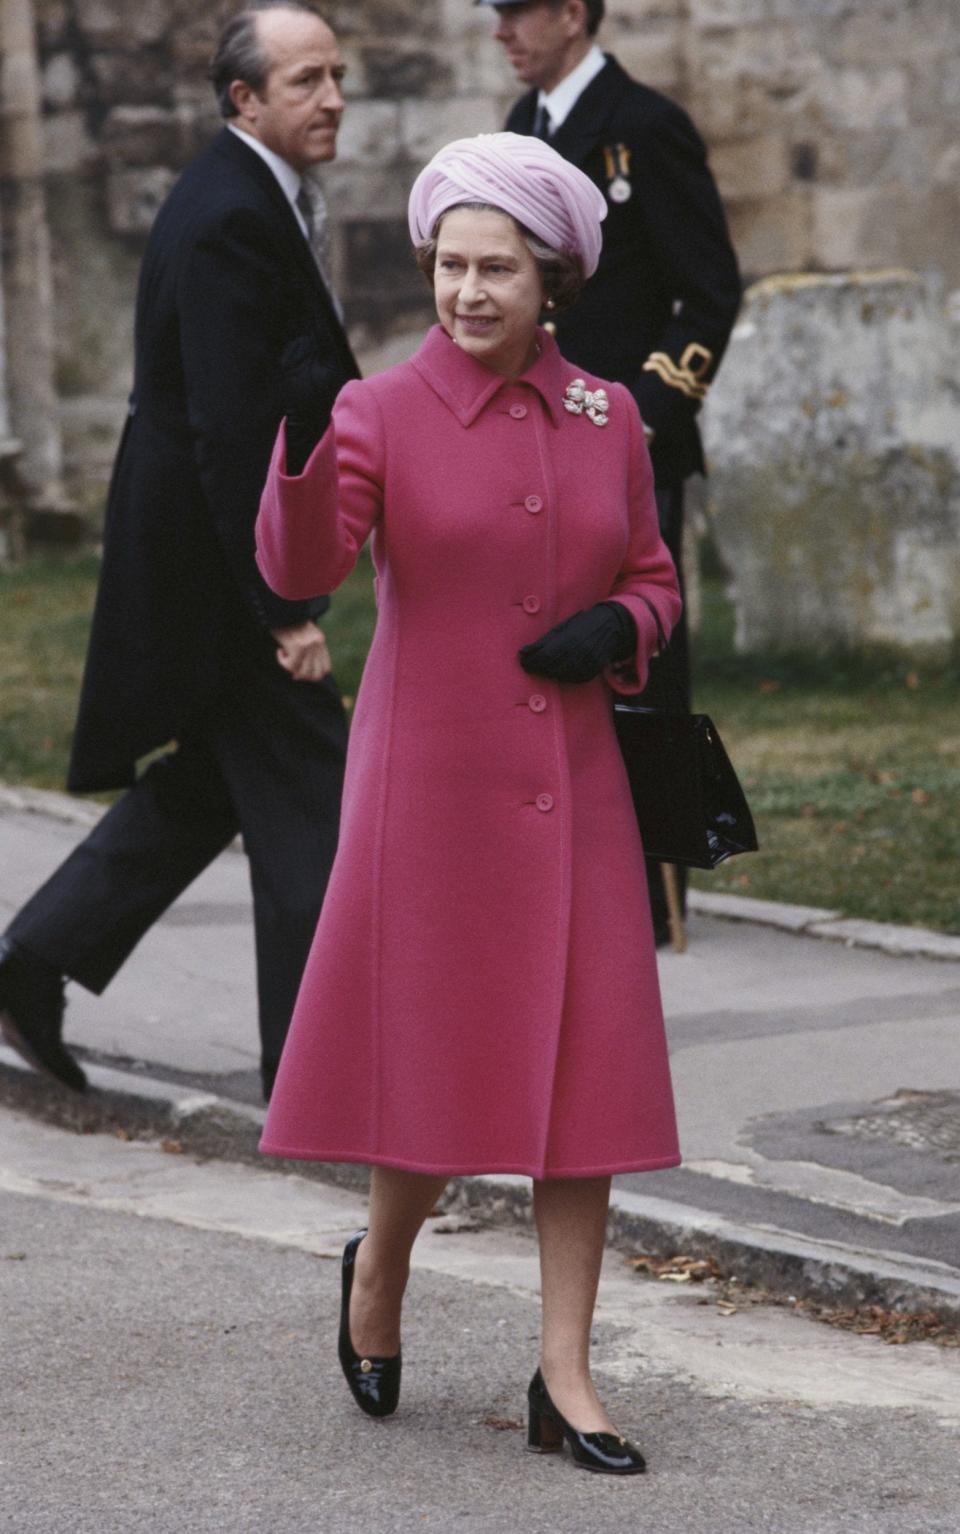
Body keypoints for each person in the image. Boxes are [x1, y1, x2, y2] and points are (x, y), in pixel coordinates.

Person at [255, 132, 683, 1473]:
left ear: (548, 277)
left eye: (496, 268)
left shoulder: (611, 413)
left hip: (575, 789)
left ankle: (567, 1372)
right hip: (430, 790)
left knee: (586, 1084)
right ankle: (378, 1270)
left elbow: (662, 578)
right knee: (436, 1063)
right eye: (450, 265)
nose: (469, 292)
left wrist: (620, 618)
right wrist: (303, 443)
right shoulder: (382, 410)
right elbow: (307, 561)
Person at [0, 2, 357, 1103]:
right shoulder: (227, 217)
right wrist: (280, 605)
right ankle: (311, 1072)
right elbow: (229, 429)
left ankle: (30, 960)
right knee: (315, 799)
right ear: (244, 98)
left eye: (336, 75)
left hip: (213, 551)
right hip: (221, 565)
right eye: (305, 81)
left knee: (212, 785)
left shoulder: (255, 198)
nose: (332, 98)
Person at [483, 0, 742, 941]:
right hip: (533, 449)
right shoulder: (522, 131)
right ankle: (558, 863)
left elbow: (709, 291)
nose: (500, 33)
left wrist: (643, 414)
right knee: (546, 648)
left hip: (627, 446)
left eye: (514, 13)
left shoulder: (645, 127)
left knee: (643, 659)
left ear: (570, 14)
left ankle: (658, 892)